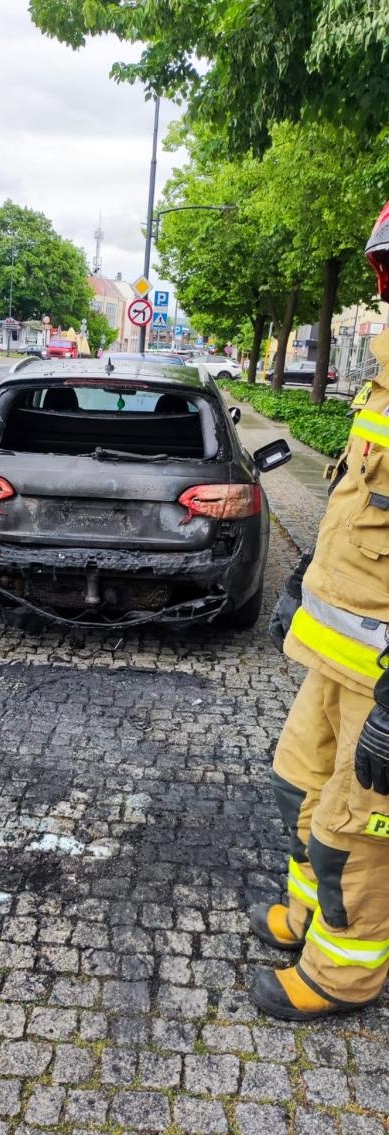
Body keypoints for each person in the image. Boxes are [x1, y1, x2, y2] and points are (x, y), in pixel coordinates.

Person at [250, 203, 389, 1020]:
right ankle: (305, 920)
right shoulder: (384, 377)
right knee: (297, 784)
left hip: (382, 680)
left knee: (356, 835)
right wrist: (305, 582)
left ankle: (342, 977)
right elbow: (354, 498)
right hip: (338, 653)